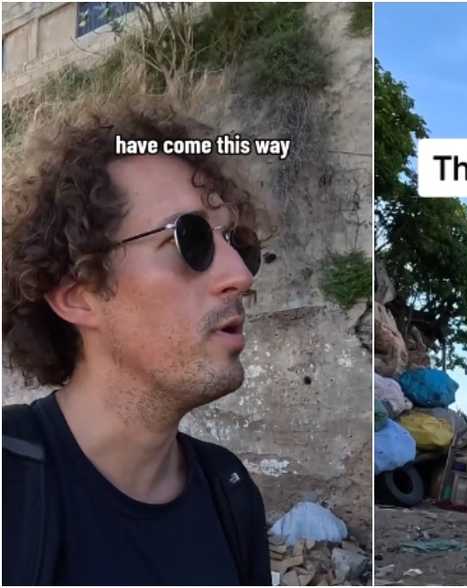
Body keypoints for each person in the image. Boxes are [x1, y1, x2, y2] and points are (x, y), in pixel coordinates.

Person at [2, 100, 270, 585]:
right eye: (190, 240)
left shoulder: (231, 494)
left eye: (239, 245)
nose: (240, 276)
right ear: (80, 297)